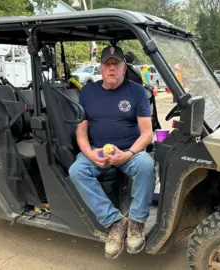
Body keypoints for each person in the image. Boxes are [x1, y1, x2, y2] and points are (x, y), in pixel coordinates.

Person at [68, 45, 155, 259]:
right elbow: (81, 132)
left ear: (124, 68)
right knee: (76, 170)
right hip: (98, 152)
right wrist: (89, 154)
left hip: (128, 152)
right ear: (101, 68)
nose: (112, 69)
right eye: (108, 64)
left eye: (116, 64)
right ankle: (114, 222)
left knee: (146, 165)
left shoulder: (137, 92)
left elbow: (147, 134)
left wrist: (128, 154)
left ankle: (136, 223)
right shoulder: (88, 92)